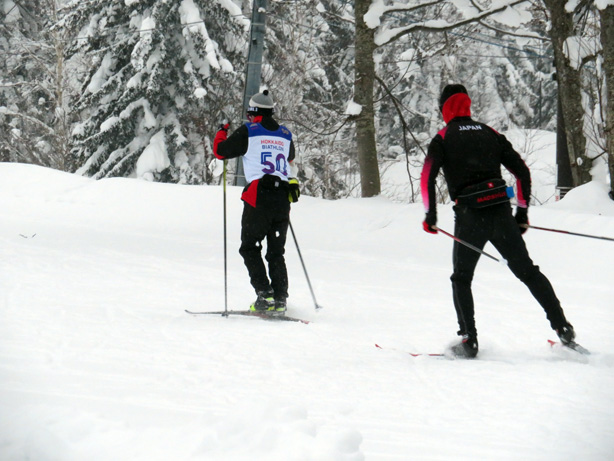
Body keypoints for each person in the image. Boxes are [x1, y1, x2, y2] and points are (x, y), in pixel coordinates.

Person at [420, 83, 575, 358]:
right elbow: (522, 172)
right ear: (467, 104)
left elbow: (427, 177)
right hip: (501, 213)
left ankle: (469, 341)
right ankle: (563, 328)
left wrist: (430, 216)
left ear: (444, 108)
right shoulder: (489, 133)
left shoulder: (443, 137)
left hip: (469, 217)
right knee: (528, 272)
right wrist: (522, 212)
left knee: (462, 278)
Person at [213, 90, 298, 314]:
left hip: (259, 195)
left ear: (253, 113)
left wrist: (222, 132)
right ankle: (280, 298)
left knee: (250, 247)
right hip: (282, 198)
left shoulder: (249, 131)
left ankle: (264, 294)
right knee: (276, 252)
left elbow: (220, 152)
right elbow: (290, 158)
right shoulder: (285, 133)